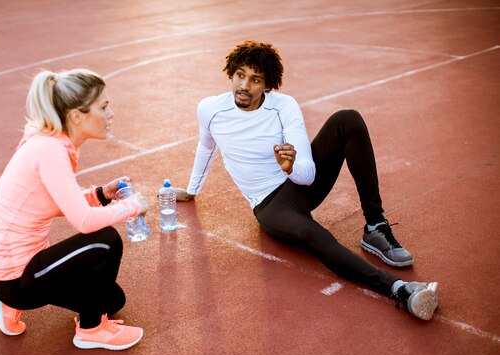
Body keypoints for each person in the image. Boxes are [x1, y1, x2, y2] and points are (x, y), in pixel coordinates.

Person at [175, 40, 439, 320]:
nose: (244, 85)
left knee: (347, 119)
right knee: (312, 233)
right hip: (270, 205)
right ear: (231, 73)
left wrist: (289, 168)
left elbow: (308, 175)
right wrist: (192, 190)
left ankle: (374, 226)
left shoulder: (284, 106)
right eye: (240, 75)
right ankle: (400, 289)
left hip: (300, 182)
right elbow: (206, 147)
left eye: (255, 79)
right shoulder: (210, 109)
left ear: (267, 84)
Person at [0, 68, 147, 350]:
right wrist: (131, 207)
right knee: (106, 241)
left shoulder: (50, 143)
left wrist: (101, 195)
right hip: (18, 278)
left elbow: (56, 201)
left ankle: (10, 302)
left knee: (112, 301)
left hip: (31, 268)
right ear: (77, 116)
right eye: (104, 107)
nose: (110, 115)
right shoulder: (50, 150)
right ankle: (90, 331)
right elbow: (85, 223)